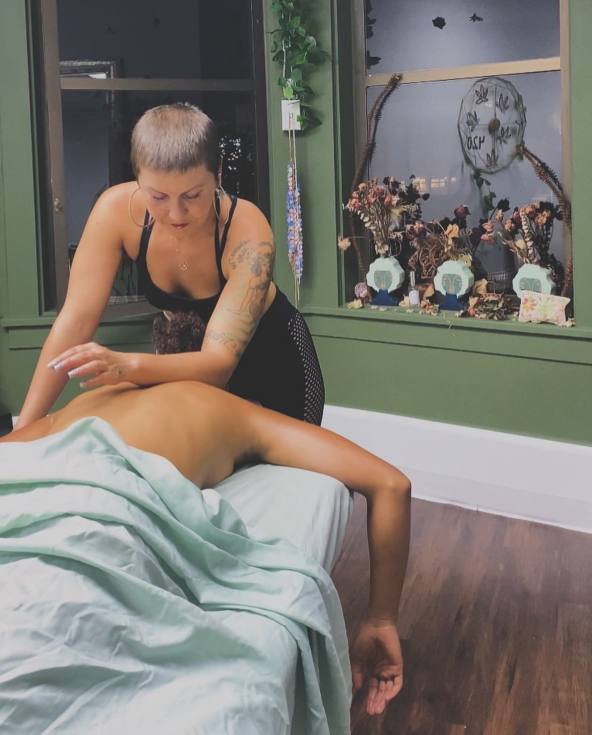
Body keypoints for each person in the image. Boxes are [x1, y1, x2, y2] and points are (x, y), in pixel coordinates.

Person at [2, 380, 411, 716]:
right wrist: (381, 620)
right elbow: (391, 484)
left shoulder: (87, 400)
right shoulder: (230, 410)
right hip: (91, 524)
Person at [16, 102, 324, 430]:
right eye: (158, 197)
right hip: (188, 375)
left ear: (218, 173)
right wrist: (24, 428)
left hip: (274, 368)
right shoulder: (114, 212)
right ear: (138, 178)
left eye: (193, 196)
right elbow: (75, 323)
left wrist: (128, 367)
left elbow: (218, 363)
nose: (176, 214)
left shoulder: (246, 229)